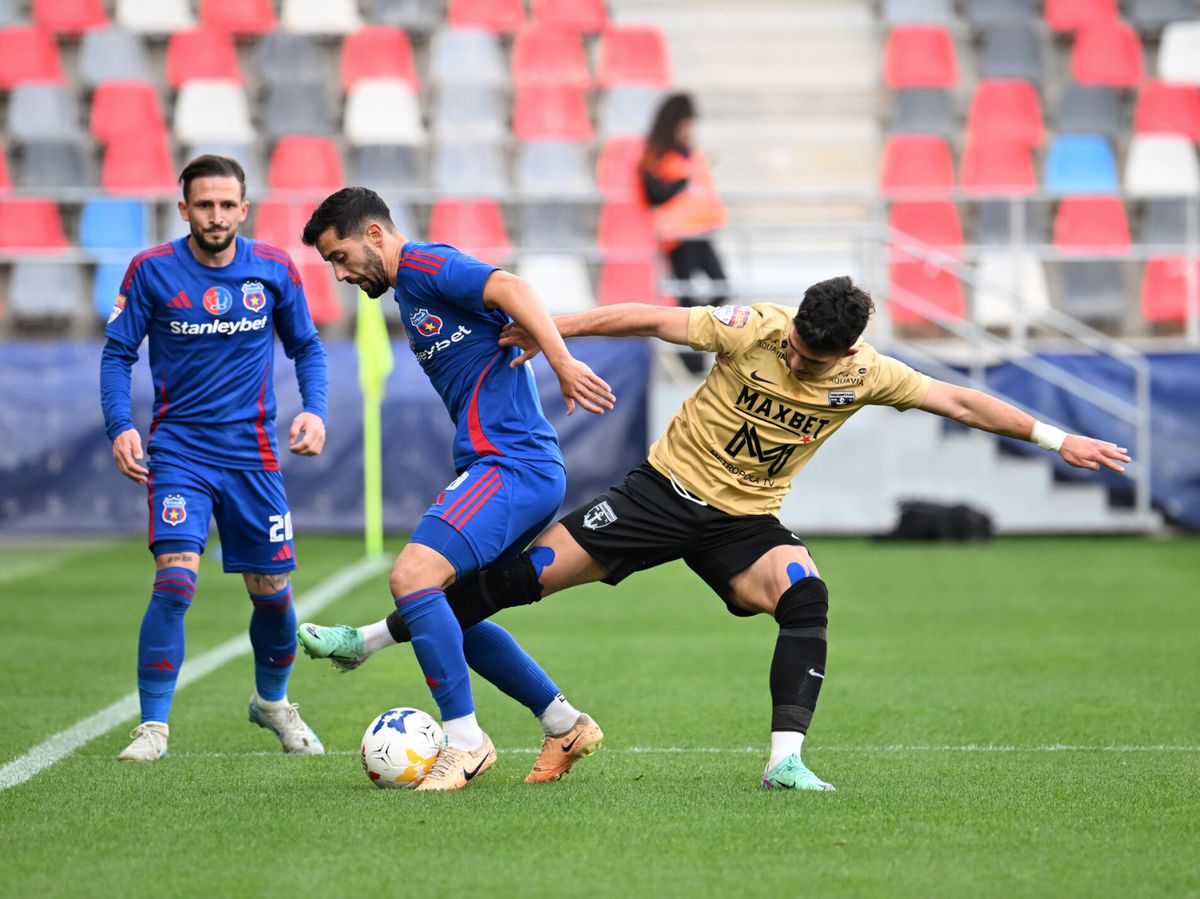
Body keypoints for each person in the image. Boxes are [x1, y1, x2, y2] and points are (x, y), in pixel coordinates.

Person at [298, 276, 1131, 791]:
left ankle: (784, 759)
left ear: (848, 352)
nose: (801, 364)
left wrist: (1059, 440)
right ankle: (367, 640)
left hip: (744, 521)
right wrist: (552, 333)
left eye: (816, 359)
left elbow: (960, 400)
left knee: (806, 593)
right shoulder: (754, 326)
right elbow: (650, 318)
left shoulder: (869, 373)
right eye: (798, 348)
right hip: (658, 495)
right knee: (504, 588)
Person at [297, 187, 616, 790]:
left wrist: (562, 361)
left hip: (512, 463)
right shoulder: (409, 292)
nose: (338, 275)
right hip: (507, 464)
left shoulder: (424, 265)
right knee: (453, 617)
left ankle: (465, 741)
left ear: (373, 235)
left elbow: (515, 289)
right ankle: (565, 724)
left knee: (412, 578)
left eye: (339, 257)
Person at [100, 155, 330, 762]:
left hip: (253, 457)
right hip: (179, 453)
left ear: (243, 209)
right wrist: (121, 425)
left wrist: (316, 410)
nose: (216, 216)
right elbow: (116, 355)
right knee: (176, 581)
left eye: (227, 205)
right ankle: (153, 728)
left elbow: (307, 346)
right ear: (184, 210)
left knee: (273, 593)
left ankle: (273, 704)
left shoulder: (274, 268)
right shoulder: (151, 271)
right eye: (204, 205)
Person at [639, 93, 728, 311]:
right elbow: (654, 194)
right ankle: (687, 339)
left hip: (700, 232)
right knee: (685, 295)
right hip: (678, 237)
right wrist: (683, 182)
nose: (689, 130)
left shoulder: (689, 154)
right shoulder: (658, 156)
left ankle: (700, 332)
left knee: (721, 287)